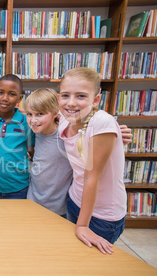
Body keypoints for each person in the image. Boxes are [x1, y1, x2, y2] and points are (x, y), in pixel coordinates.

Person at [58, 67, 127, 255]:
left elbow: (92, 177)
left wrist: (82, 225)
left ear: (96, 99)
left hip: (101, 216)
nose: (71, 102)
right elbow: (37, 111)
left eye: (81, 96)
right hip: (74, 201)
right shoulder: (65, 118)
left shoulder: (101, 123)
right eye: (65, 95)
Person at [25, 88, 73, 217]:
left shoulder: (66, 135)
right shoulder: (36, 132)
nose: (34, 120)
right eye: (29, 114)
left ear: (55, 113)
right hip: (33, 201)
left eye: (40, 114)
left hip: (57, 207)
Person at [0, 74, 34, 199]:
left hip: (19, 188)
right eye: (1, 93)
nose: (5, 98)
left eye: (12, 94)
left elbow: (32, 152)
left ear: (20, 98)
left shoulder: (26, 122)